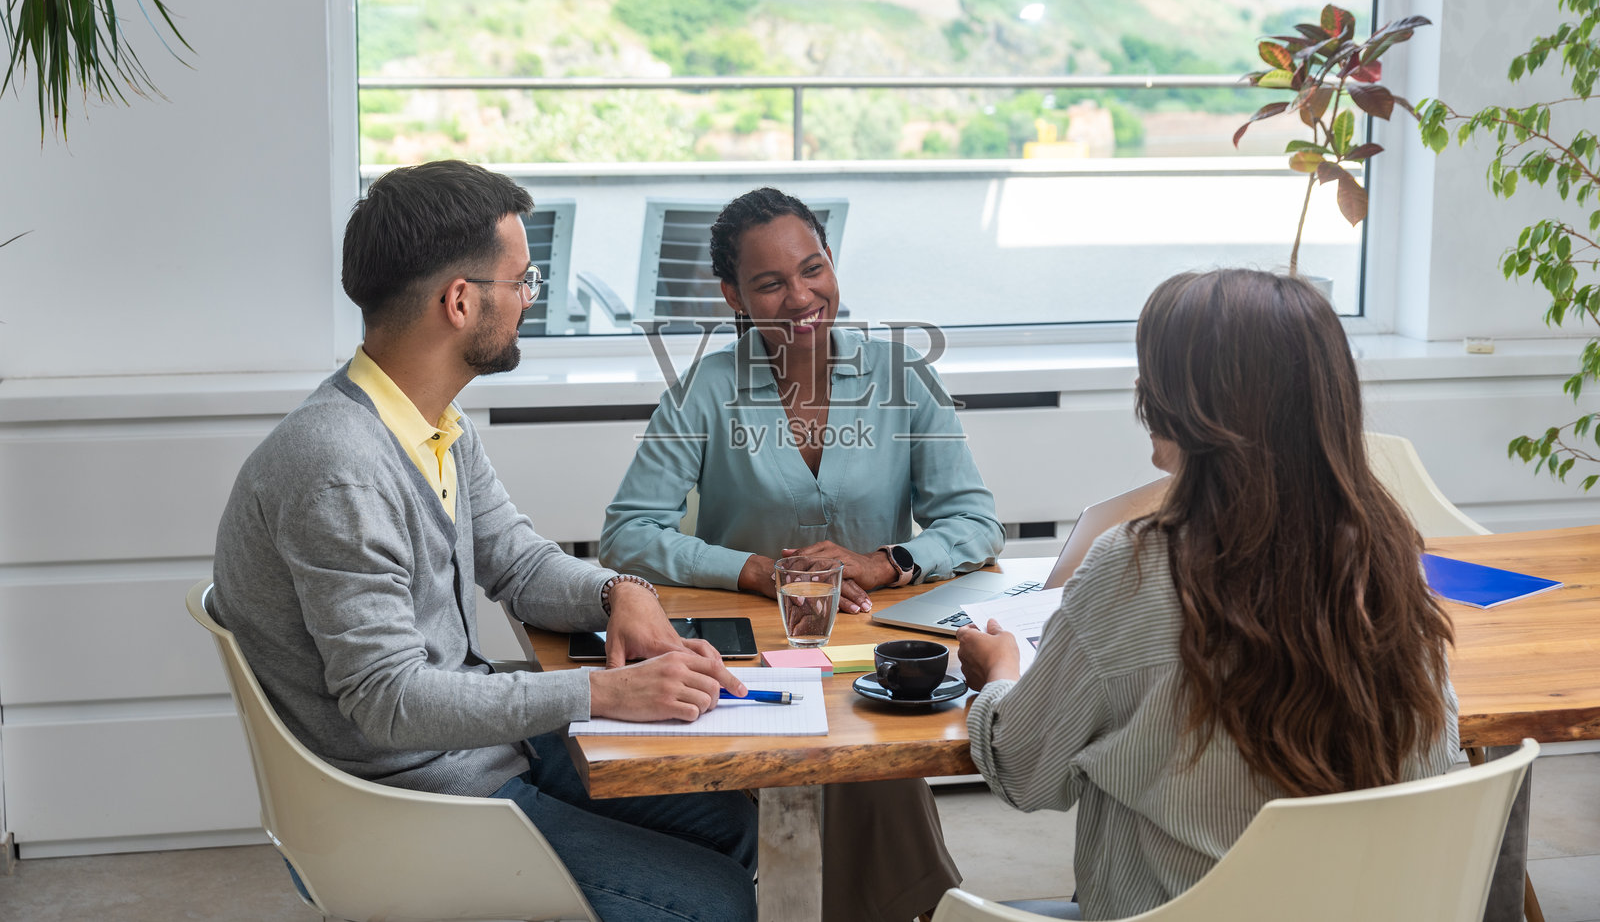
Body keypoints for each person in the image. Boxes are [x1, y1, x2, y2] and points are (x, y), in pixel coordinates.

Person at [211, 159, 758, 922]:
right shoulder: (337, 470)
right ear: (461, 301)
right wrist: (603, 691)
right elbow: (390, 701)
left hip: (463, 757)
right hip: (403, 804)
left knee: (722, 811)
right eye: (523, 281)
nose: (531, 299)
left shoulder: (429, 422)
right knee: (714, 900)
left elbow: (517, 561)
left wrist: (617, 592)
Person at [958, 268, 1460, 921]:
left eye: (1153, 376)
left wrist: (999, 677)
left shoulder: (1133, 567)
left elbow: (1026, 772)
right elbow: (1436, 769)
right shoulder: (1392, 561)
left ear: (1182, 406)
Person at [600, 187, 1006, 922]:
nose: (801, 296)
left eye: (812, 268)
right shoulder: (705, 390)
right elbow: (629, 532)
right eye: (770, 283)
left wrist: (889, 563)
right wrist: (754, 571)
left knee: (868, 754)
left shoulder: (902, 378)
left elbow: (975, 520)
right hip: (749, 654)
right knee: (839, 763)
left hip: (869, 650)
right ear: (734, 296)